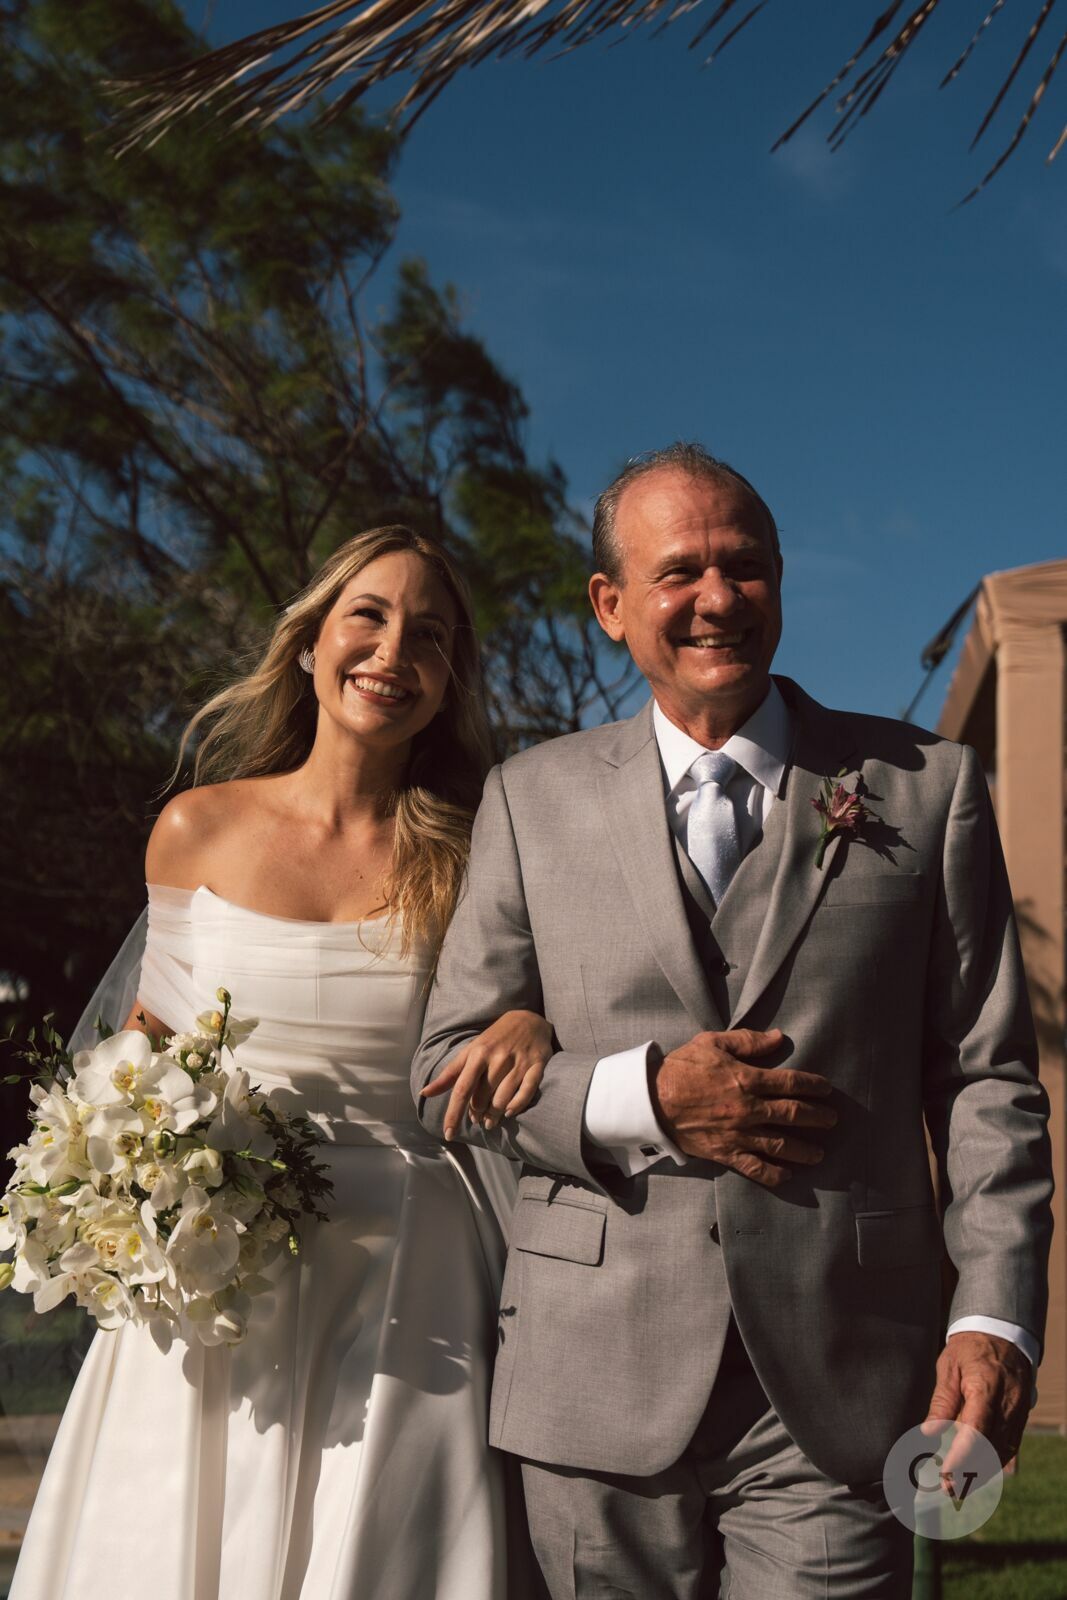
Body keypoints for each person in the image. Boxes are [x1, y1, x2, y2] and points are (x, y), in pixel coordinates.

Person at [412, 443, 1055, 1599]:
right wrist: (641, 1098)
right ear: (609, 604)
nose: (717, 597)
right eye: (679, 572)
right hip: (590, 1381)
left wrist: (993, 1317)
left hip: (842, 1381)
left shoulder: (927, 787)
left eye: (744, 566)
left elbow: (983, 1078)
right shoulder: (526, 799)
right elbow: (445, 1071)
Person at [11, 525, 551, 1600]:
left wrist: (533, 1021)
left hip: (408, 1272)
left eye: (430, 636)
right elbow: (142, 1054)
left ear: (450, 681)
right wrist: (120, 1178)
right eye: (369, 616)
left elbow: (523, 1003)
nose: (393, 652)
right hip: (214, 1271)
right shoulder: (195, 828)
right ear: (309, 642)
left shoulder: (477, 852)